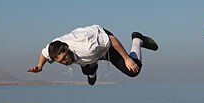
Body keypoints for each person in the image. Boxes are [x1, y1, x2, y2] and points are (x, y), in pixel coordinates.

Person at [27, 25, 158, 85]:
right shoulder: (54, 48)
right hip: (89, 58)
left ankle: (137, 39)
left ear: (67, 49)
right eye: (60, 61)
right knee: (88, 67)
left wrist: (127, 58)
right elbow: (43, 53)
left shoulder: (87, 47)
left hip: (105, 46)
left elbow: (111, 39)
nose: (65, 62)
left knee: (133, 71)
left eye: (65, 58)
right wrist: (39, 66)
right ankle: (91, 72)